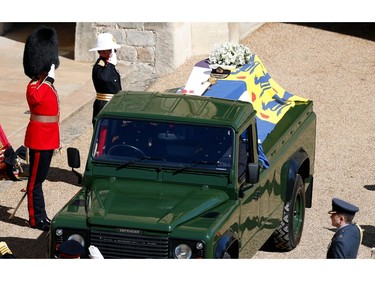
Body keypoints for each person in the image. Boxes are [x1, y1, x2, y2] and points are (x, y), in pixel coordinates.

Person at [22, 26, 60, 232]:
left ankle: (42, 215)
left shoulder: (45, 84)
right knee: (34, 182)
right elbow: (37, 99)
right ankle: (34, 219)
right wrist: (49, 80)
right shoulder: (34, 86)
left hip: (48, 139)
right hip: (38, 139)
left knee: (40, 180)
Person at [89, 33, 122, 127]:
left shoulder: (108, 66)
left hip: (114, 103)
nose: (114, 53)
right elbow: (105, 78)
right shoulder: (99, 67)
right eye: (112, 51)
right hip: (104, 105)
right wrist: (111, 64)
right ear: (102, 52)